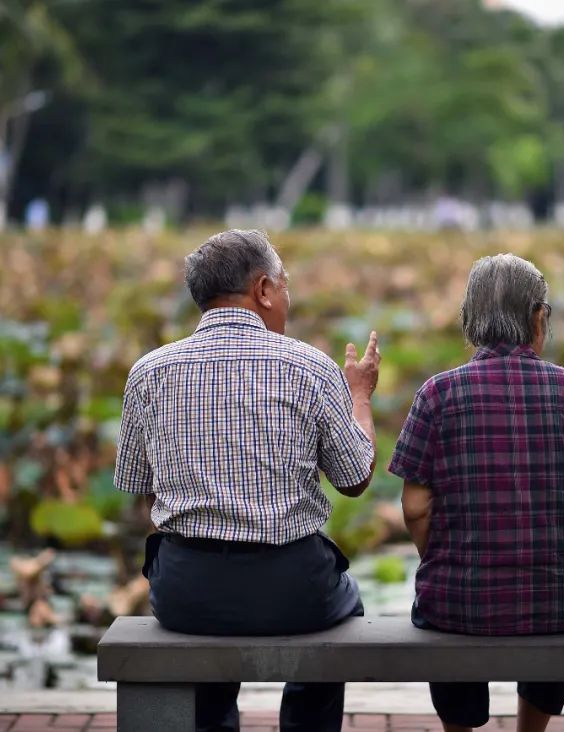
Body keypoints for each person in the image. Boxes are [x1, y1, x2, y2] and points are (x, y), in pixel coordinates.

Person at [114, 229, 381, 732]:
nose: (288, 300)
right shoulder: (310, 368)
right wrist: (360, 396)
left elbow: (139, 489)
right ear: (263, 290)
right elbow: (354, 479)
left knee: (211, 623)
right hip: (293, 589)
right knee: (347, 604)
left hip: (185, 591)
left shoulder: (148, 372)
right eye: (285, 286)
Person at [389, 253, 564, 732]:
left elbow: (415, 508)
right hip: (562, 602)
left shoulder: (436, 395)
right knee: (558, 607)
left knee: (448, 611)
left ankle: (460, 728)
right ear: (538, 318)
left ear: (469, 323)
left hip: (458, 600)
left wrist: (443, 558)